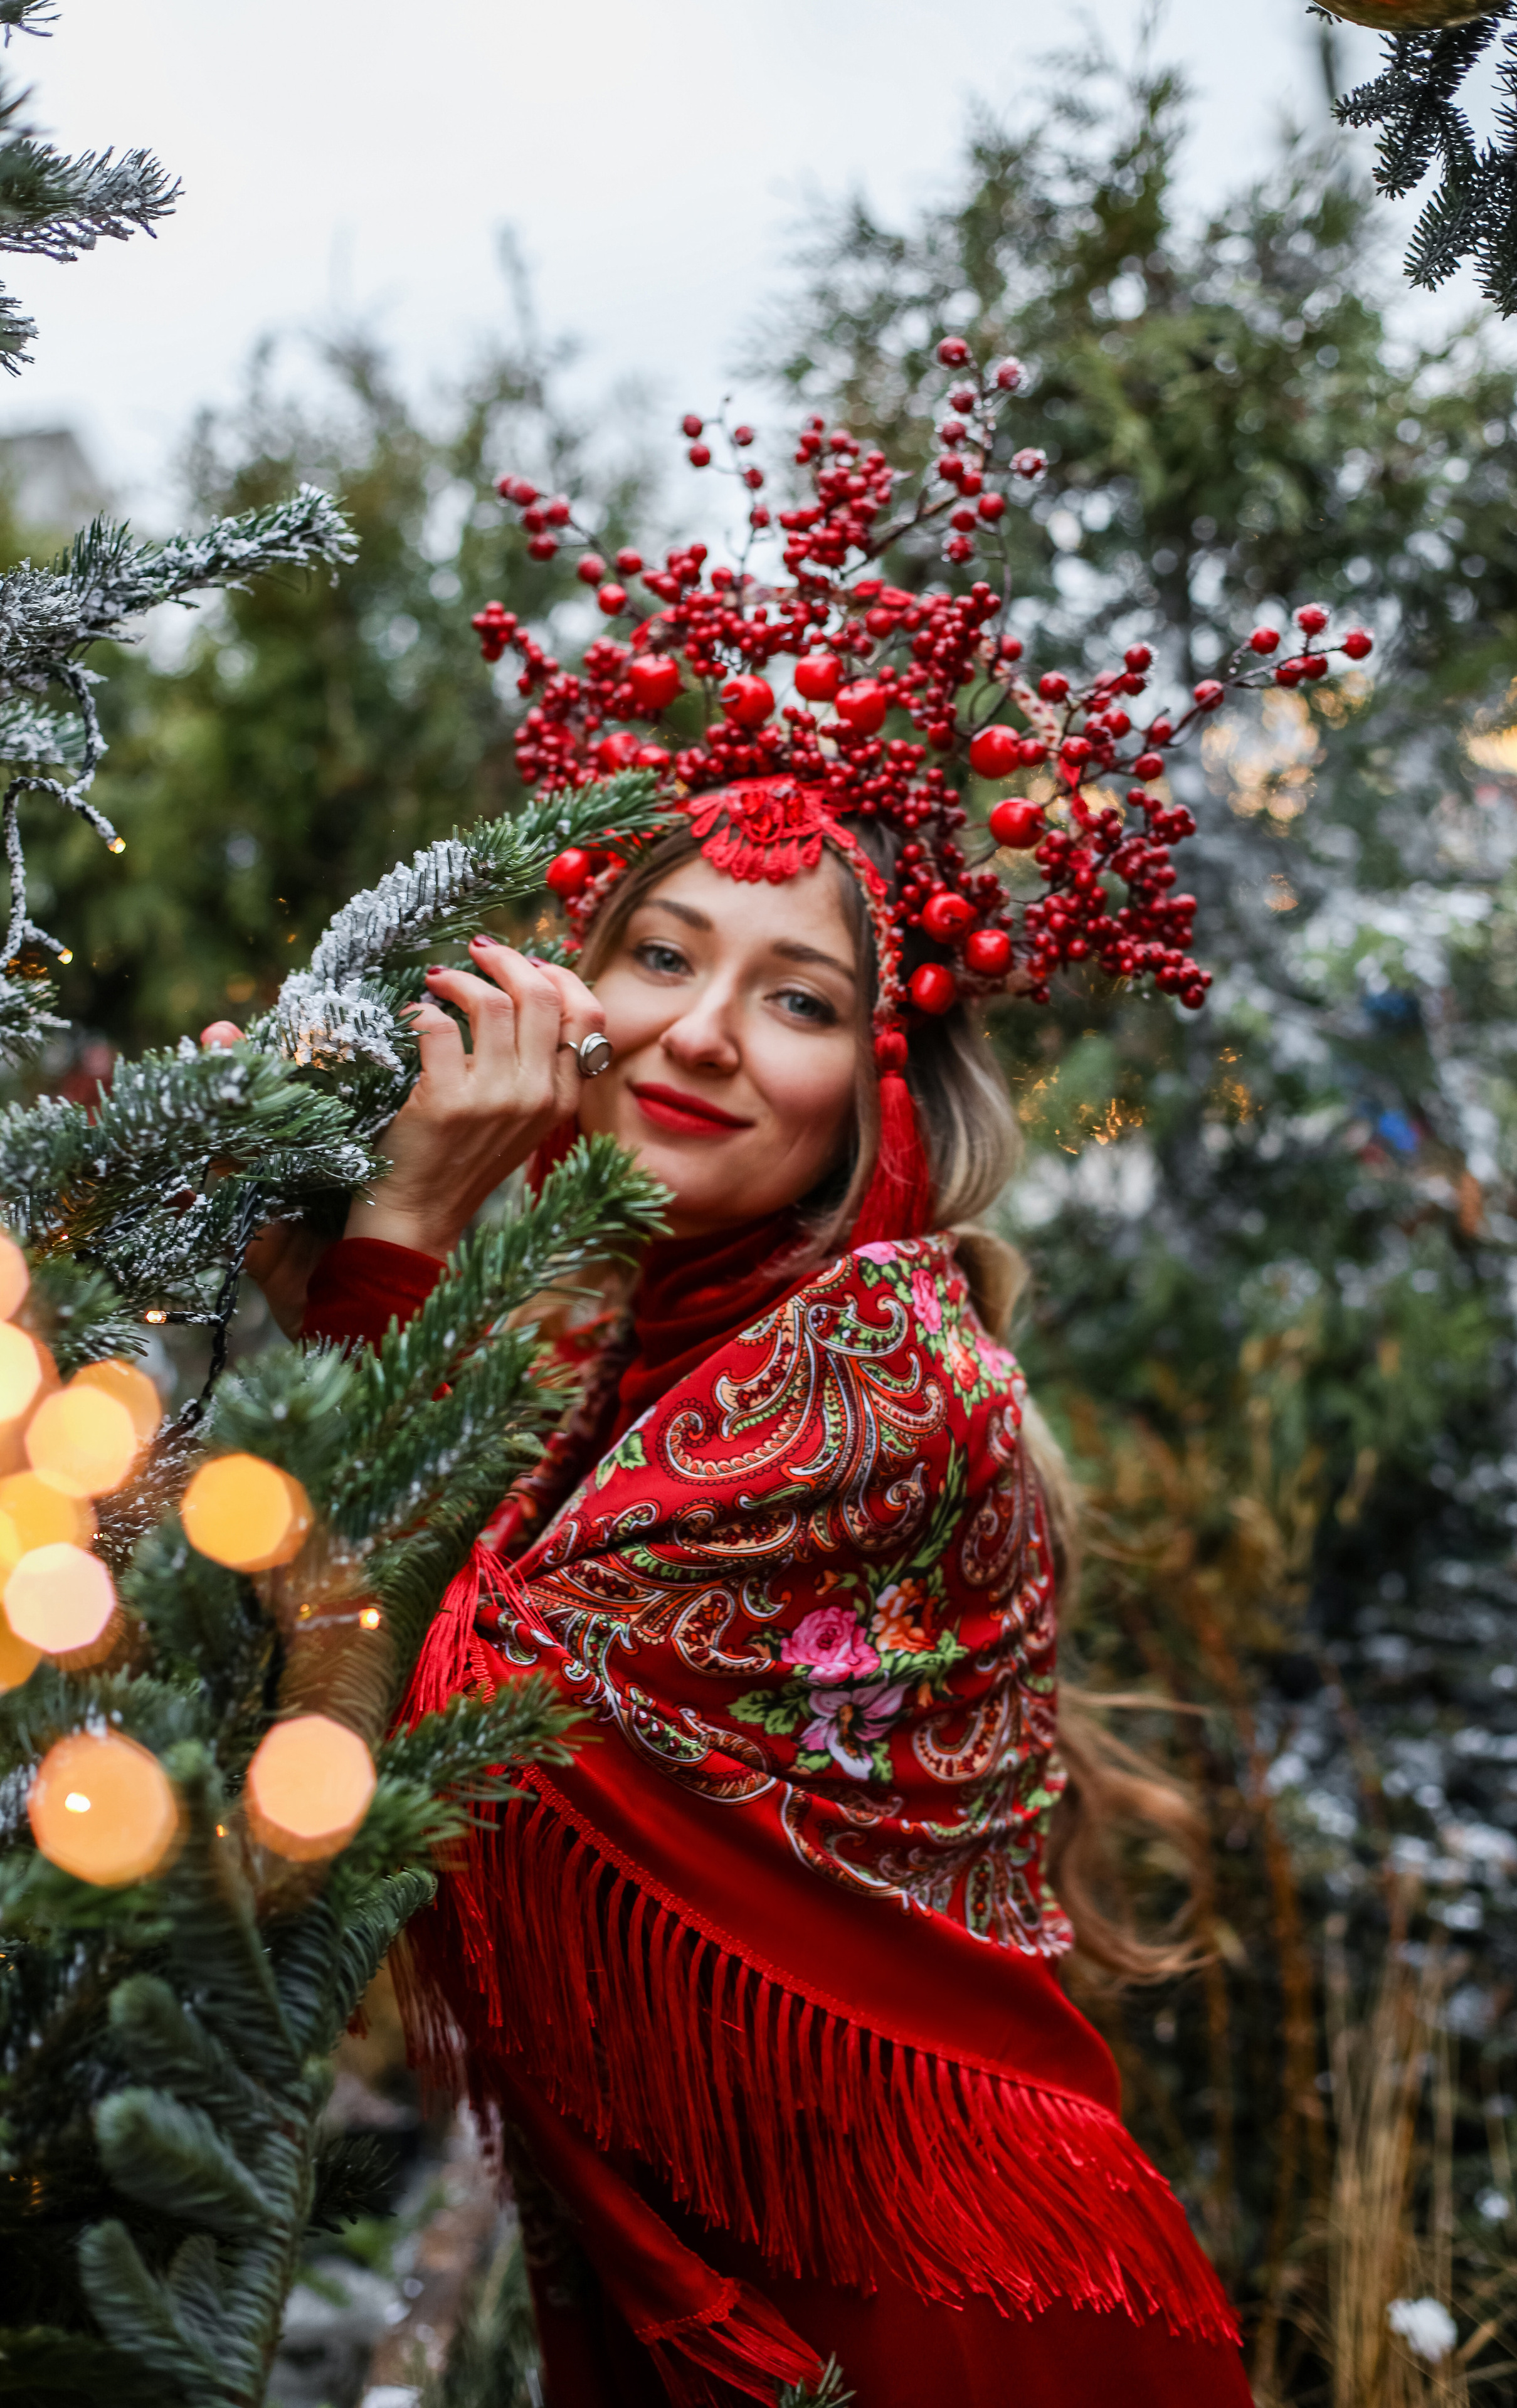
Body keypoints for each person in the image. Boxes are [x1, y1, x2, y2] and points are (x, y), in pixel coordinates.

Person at [237, 771, 1252, 2408]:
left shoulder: (886, 1377)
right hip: (732, 2308)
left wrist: (408, 1233)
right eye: (661, 959)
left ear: (887, 1085)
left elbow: (461, 1721)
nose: (702, 1036)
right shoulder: (618, 1356)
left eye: (798, 999)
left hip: (940, 2330)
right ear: (569, 991)